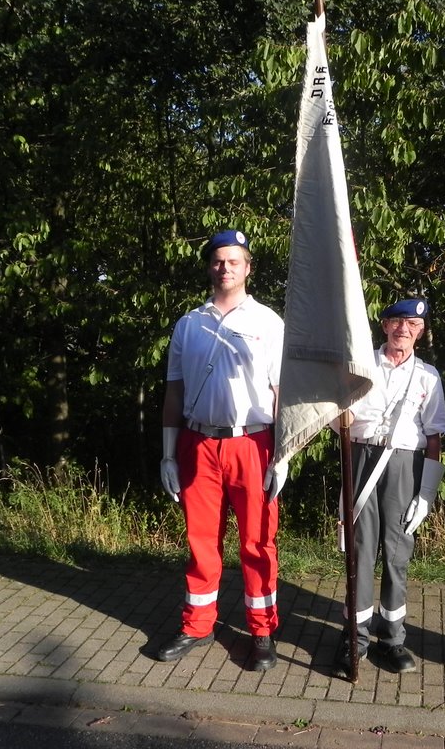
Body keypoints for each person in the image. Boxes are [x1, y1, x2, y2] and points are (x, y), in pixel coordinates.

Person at [157, 228, 287, 672]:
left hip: (253, 442)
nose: (225, 267)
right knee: (201, 541)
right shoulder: (189, 324)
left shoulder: (269, 322)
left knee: (258, 541)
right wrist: (168, 453)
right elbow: (174, 391)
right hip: (197, 442)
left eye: (234, 261)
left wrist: (283, 453)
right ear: (209, 267)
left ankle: (262, 631)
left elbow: (281, 393)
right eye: (218, 261)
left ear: (248, 267)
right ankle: (197, 624)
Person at [332, 298, 445, 678]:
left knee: (397, 553)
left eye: (412, 324)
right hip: (361, 457)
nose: (403, 329)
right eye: (397, 321)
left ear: (421, 331)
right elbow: (337, 416)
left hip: (405, 464)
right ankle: (356, 637)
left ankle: (393, 638)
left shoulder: (428, 376)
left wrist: (426, 493)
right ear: (384, 326)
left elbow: (434, 436)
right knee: (361, 551)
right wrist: (339, 413)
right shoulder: (360, 365)